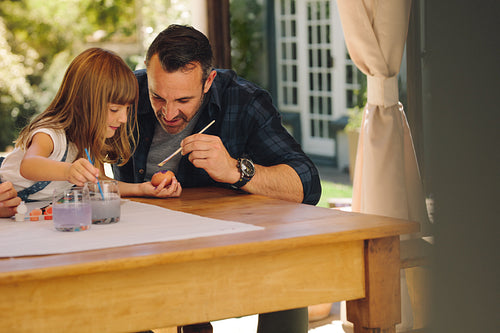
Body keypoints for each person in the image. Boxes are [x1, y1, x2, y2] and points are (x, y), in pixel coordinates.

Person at [112, 24, 321, 333]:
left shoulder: (244, 100)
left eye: (183, 100)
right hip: (139, 244)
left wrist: (236, 170)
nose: (168, 113)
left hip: (221, 246)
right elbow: (63, 140)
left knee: (288, 274)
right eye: (158, 97)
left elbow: (307, 183)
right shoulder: (127, 91)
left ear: (209, 81)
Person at [0, 48, 181, 202]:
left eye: (127, 109)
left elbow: (98, 181)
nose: (124, 119)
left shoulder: (89, 140)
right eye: (114, 109)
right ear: (82, 104)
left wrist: (141, 189)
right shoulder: (51, 133)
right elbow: (29, 165)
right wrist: (69, 170)